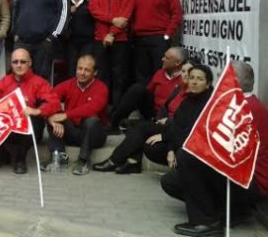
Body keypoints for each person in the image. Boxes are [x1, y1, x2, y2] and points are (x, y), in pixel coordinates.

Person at [161, 61, 268, 237]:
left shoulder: (246, 108)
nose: (219, 82)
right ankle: (231, 212)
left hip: (251, 179)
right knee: (172, 180)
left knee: (188, 157)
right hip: (241, 173)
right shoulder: (239, 103)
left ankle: (205, 222)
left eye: (222, 77)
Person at [93, 60, 193, 174]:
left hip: (175, 128)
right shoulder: (180, 88)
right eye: (183, 71)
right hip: (163, 122)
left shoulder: (193, 95)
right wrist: (159, 119)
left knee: (142, 128)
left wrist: (167, 122)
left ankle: (114, 160)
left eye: (189, 71)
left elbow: (185, 121)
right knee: (135, 125)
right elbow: (165, 107)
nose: (185, 74)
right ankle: (133, 162)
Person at [43, 54, 108, 175]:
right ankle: (59, 157)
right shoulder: (67, 84)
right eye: (80, 68)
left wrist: (66, 115)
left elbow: (93, 108)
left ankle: (83, 160)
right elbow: (49, 100)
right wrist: (51, 118)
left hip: (94, 135)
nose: (82, 73)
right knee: (54, 116)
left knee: (91, 120)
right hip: (73, 131)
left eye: (87, 70)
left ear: (95, 72)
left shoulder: (101, 88)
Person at [89, 0, 134, 108]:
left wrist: (112, 33)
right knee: (101, 77)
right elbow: (94, 10)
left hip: (120, 40)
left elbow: (126, 14)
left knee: (119, 78)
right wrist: (113, 20)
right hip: (99, 39)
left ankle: (115, 116)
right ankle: (102, 112)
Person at [12, 0, 68, 82]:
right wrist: (15, 33)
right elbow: (16, 10)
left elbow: (63, 14)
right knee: (19, 77)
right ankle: (22, 102)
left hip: (43, 43)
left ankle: (40, 102)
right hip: (22, 42)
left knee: (40, 79)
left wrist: (52, 38)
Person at [110, 47, 188, 130]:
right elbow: (147, 93)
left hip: (169, 117)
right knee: (137, 89)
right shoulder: (159, 73)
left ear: (177, 63)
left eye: (167, 58)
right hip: (153, 113)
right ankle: (114, 123)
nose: (162, 59)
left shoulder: (185, 79)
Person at [132, 0, 182, 84]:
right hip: (139, 39)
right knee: (141, 77)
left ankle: (158, 103)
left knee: (159, 74)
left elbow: (176, 14)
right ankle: (144, 104)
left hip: (159, 39)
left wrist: (167, 35)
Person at [62, 0, 95, 79]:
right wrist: (68, 12)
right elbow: (58, 20)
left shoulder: (90, 0)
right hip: (70, 42)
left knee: (85, 69)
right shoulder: (64, 2)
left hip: (88, 42)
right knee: (72, 70)